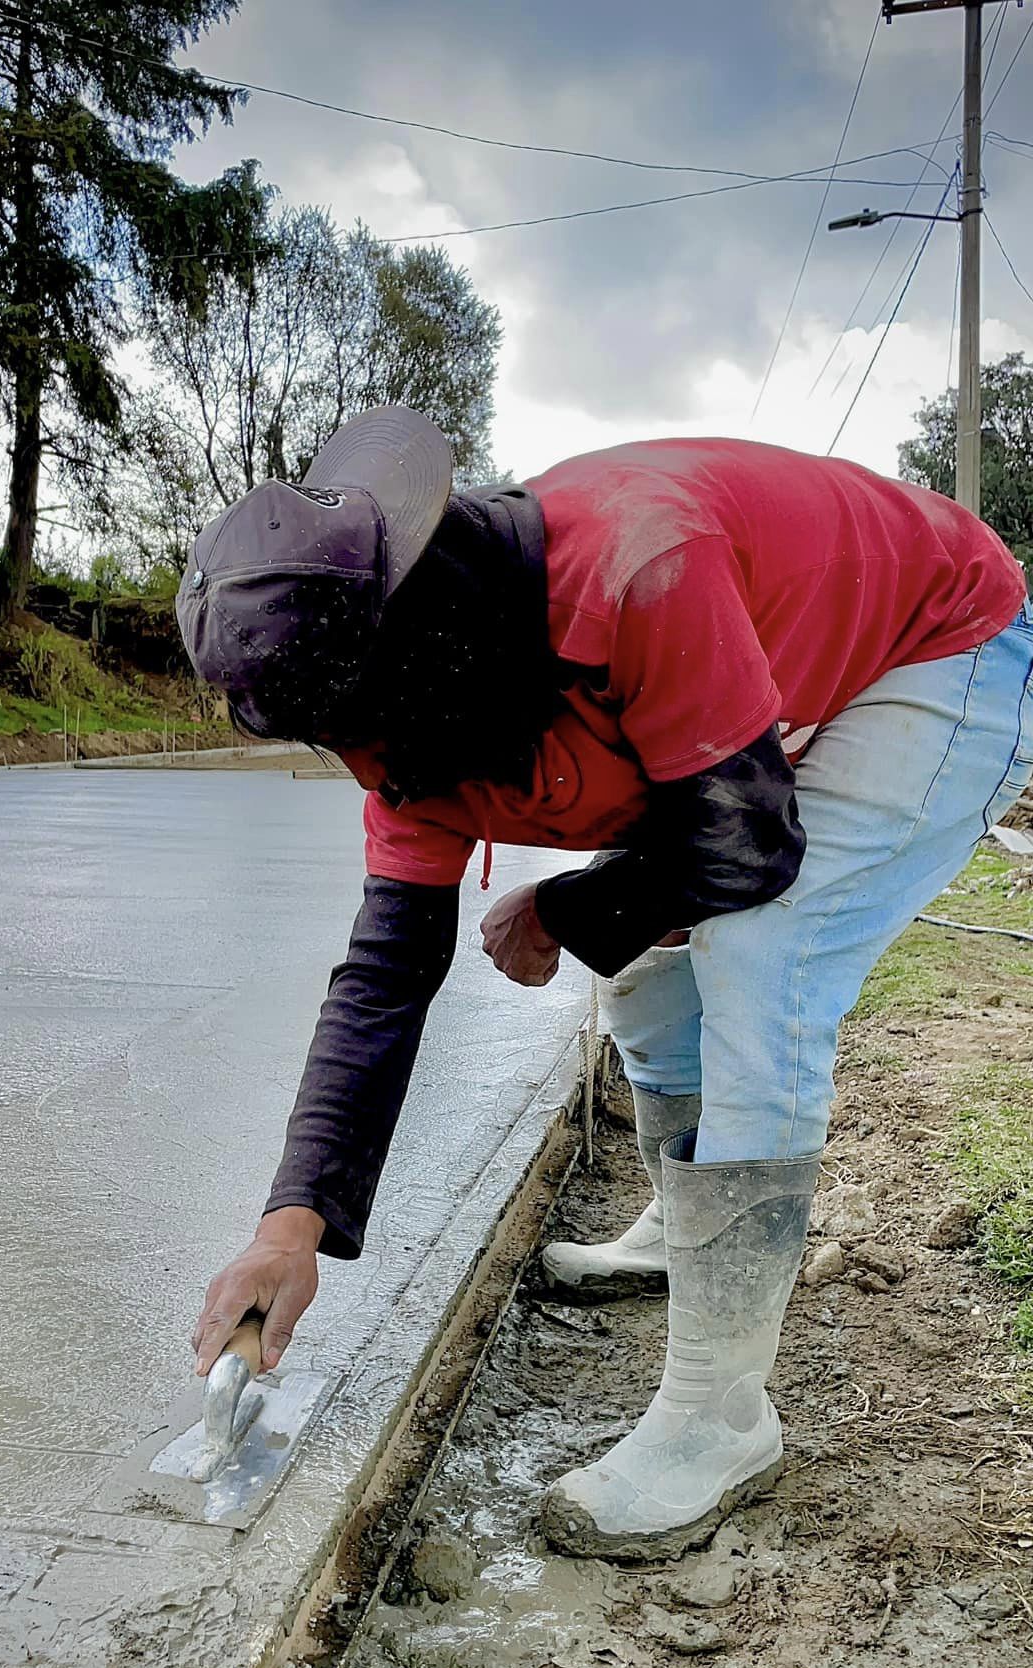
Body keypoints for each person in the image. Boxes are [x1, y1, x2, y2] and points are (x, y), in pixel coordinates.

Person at [177, 405, 1031, 1561]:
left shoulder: (636, 573)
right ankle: (690, 1230)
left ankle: (721, 1415)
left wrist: (567, 905)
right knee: (648, 970)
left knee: (764, 950)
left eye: (357, 731)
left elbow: (748, 851)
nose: (361, 765)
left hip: (949, 639)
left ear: (420, 646)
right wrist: (293, 1225)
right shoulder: (411, 726)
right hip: (805, 663)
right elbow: (385, 970)